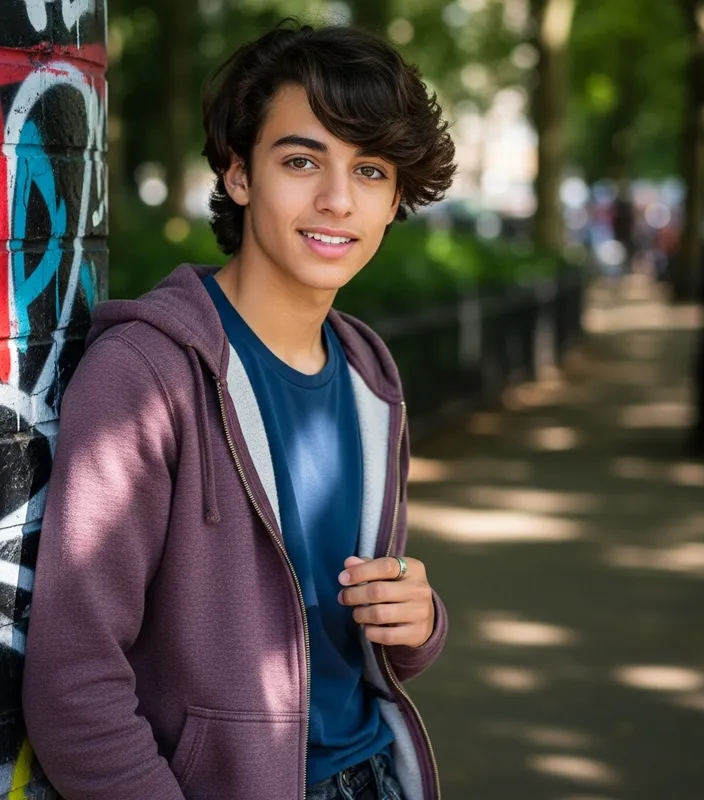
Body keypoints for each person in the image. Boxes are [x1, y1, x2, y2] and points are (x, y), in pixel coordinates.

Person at [21, 19, 456, 800]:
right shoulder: (146, 376)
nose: (335, 199)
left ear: (394, 201)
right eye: (301, 160)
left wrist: (419, 620)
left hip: (379, 777)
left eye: (370, 171)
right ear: (240, 174)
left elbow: (342, 635)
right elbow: (73, 688)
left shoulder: (368, 375)